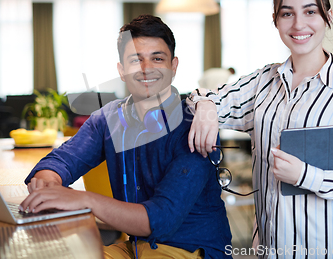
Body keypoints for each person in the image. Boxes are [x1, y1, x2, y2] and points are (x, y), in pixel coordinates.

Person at [187, 0, 333, 258]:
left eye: (310, 11)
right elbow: (202, 97)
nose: (299, 24)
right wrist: (206, 106)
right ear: (275, 20)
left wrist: (308, 176)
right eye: (287, 14)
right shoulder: (262, 82)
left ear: (328, 16)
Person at [20, 14, 232, 259]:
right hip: (135, 247)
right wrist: (48, 181)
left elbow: (159, 220)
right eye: (135, 60)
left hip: (192, 250)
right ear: (121, 70)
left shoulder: (195, 125)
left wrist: (83, 200)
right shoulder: (109, 118)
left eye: (157, 58)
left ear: (173, 66)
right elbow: (63, 160)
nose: (146, 69)